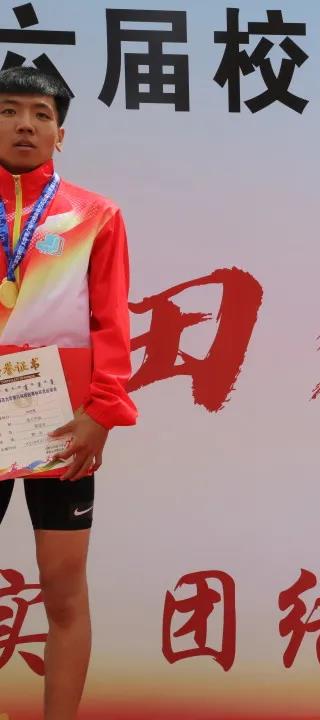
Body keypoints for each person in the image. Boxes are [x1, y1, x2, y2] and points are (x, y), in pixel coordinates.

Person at [0, 66, 136, 720]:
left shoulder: (96, 215)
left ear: (61, 132)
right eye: (8, 110)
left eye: (41, 114)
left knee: (62, 591)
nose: (25, 124)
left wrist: (101, 412)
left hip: (60, 425)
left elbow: (111, 320)